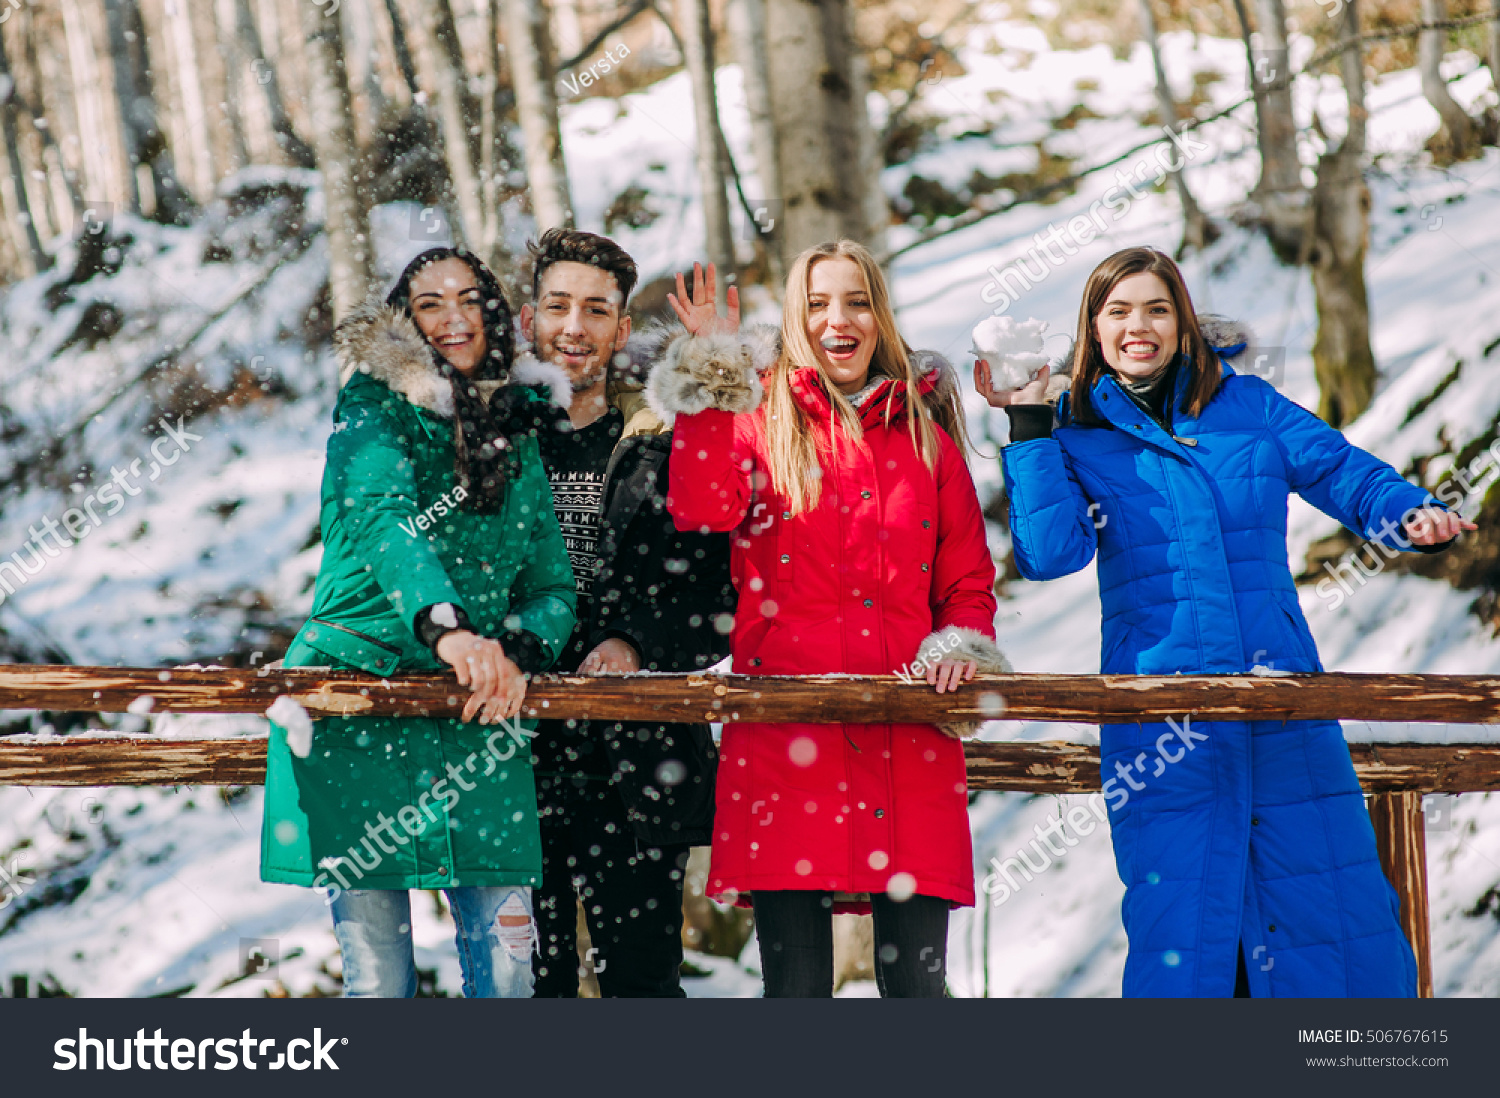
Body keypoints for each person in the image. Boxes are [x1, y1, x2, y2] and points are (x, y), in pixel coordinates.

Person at [982, 245, 1472, 998]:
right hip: (1161, 725)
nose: (1138, 326)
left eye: (1156, 308)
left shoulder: (1248, 407)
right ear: (1094, 328)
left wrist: (1406, 510)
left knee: (1333, 923)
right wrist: (1028, 425)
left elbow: (1342, 470)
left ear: (1183, 322)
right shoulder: (1073, 432)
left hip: (1283, 711)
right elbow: (1050, 555)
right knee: (1188, 936)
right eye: (1118, 311)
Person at [651, 245, 1008, 998]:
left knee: (918, 992)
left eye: (856, 302)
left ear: (880, 316)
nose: (837, 320)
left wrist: (959, 645)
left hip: (908, 738)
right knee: (796, 989)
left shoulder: (926, 441)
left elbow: (969, 583)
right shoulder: (754, 422)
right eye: (817, 303)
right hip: (789, 743)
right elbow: (700, 504)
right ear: (793, 317)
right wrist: (714, 367)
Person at [259, 247, 577, 998]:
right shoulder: (370, 406)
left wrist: (518, 650)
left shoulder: (519, 428)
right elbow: (383, 522)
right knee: (379, 985)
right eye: (431, 303)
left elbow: (552, 583)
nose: (454, 318)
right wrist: (450, 629)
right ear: (405, 320)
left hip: (481, 719)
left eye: (469, 299)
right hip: (359, 701)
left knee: (507, 979)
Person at [521, 228, 735, 997]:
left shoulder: (665, 444)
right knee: (518, 988)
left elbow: (721, 600)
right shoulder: (486, 448)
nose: (573, 327)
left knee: (644, 987)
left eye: (595, 310)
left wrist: (634, 643)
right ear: (527, 320)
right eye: (557, 306)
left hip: (638, 764)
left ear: (620, 328)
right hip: (508, 764)